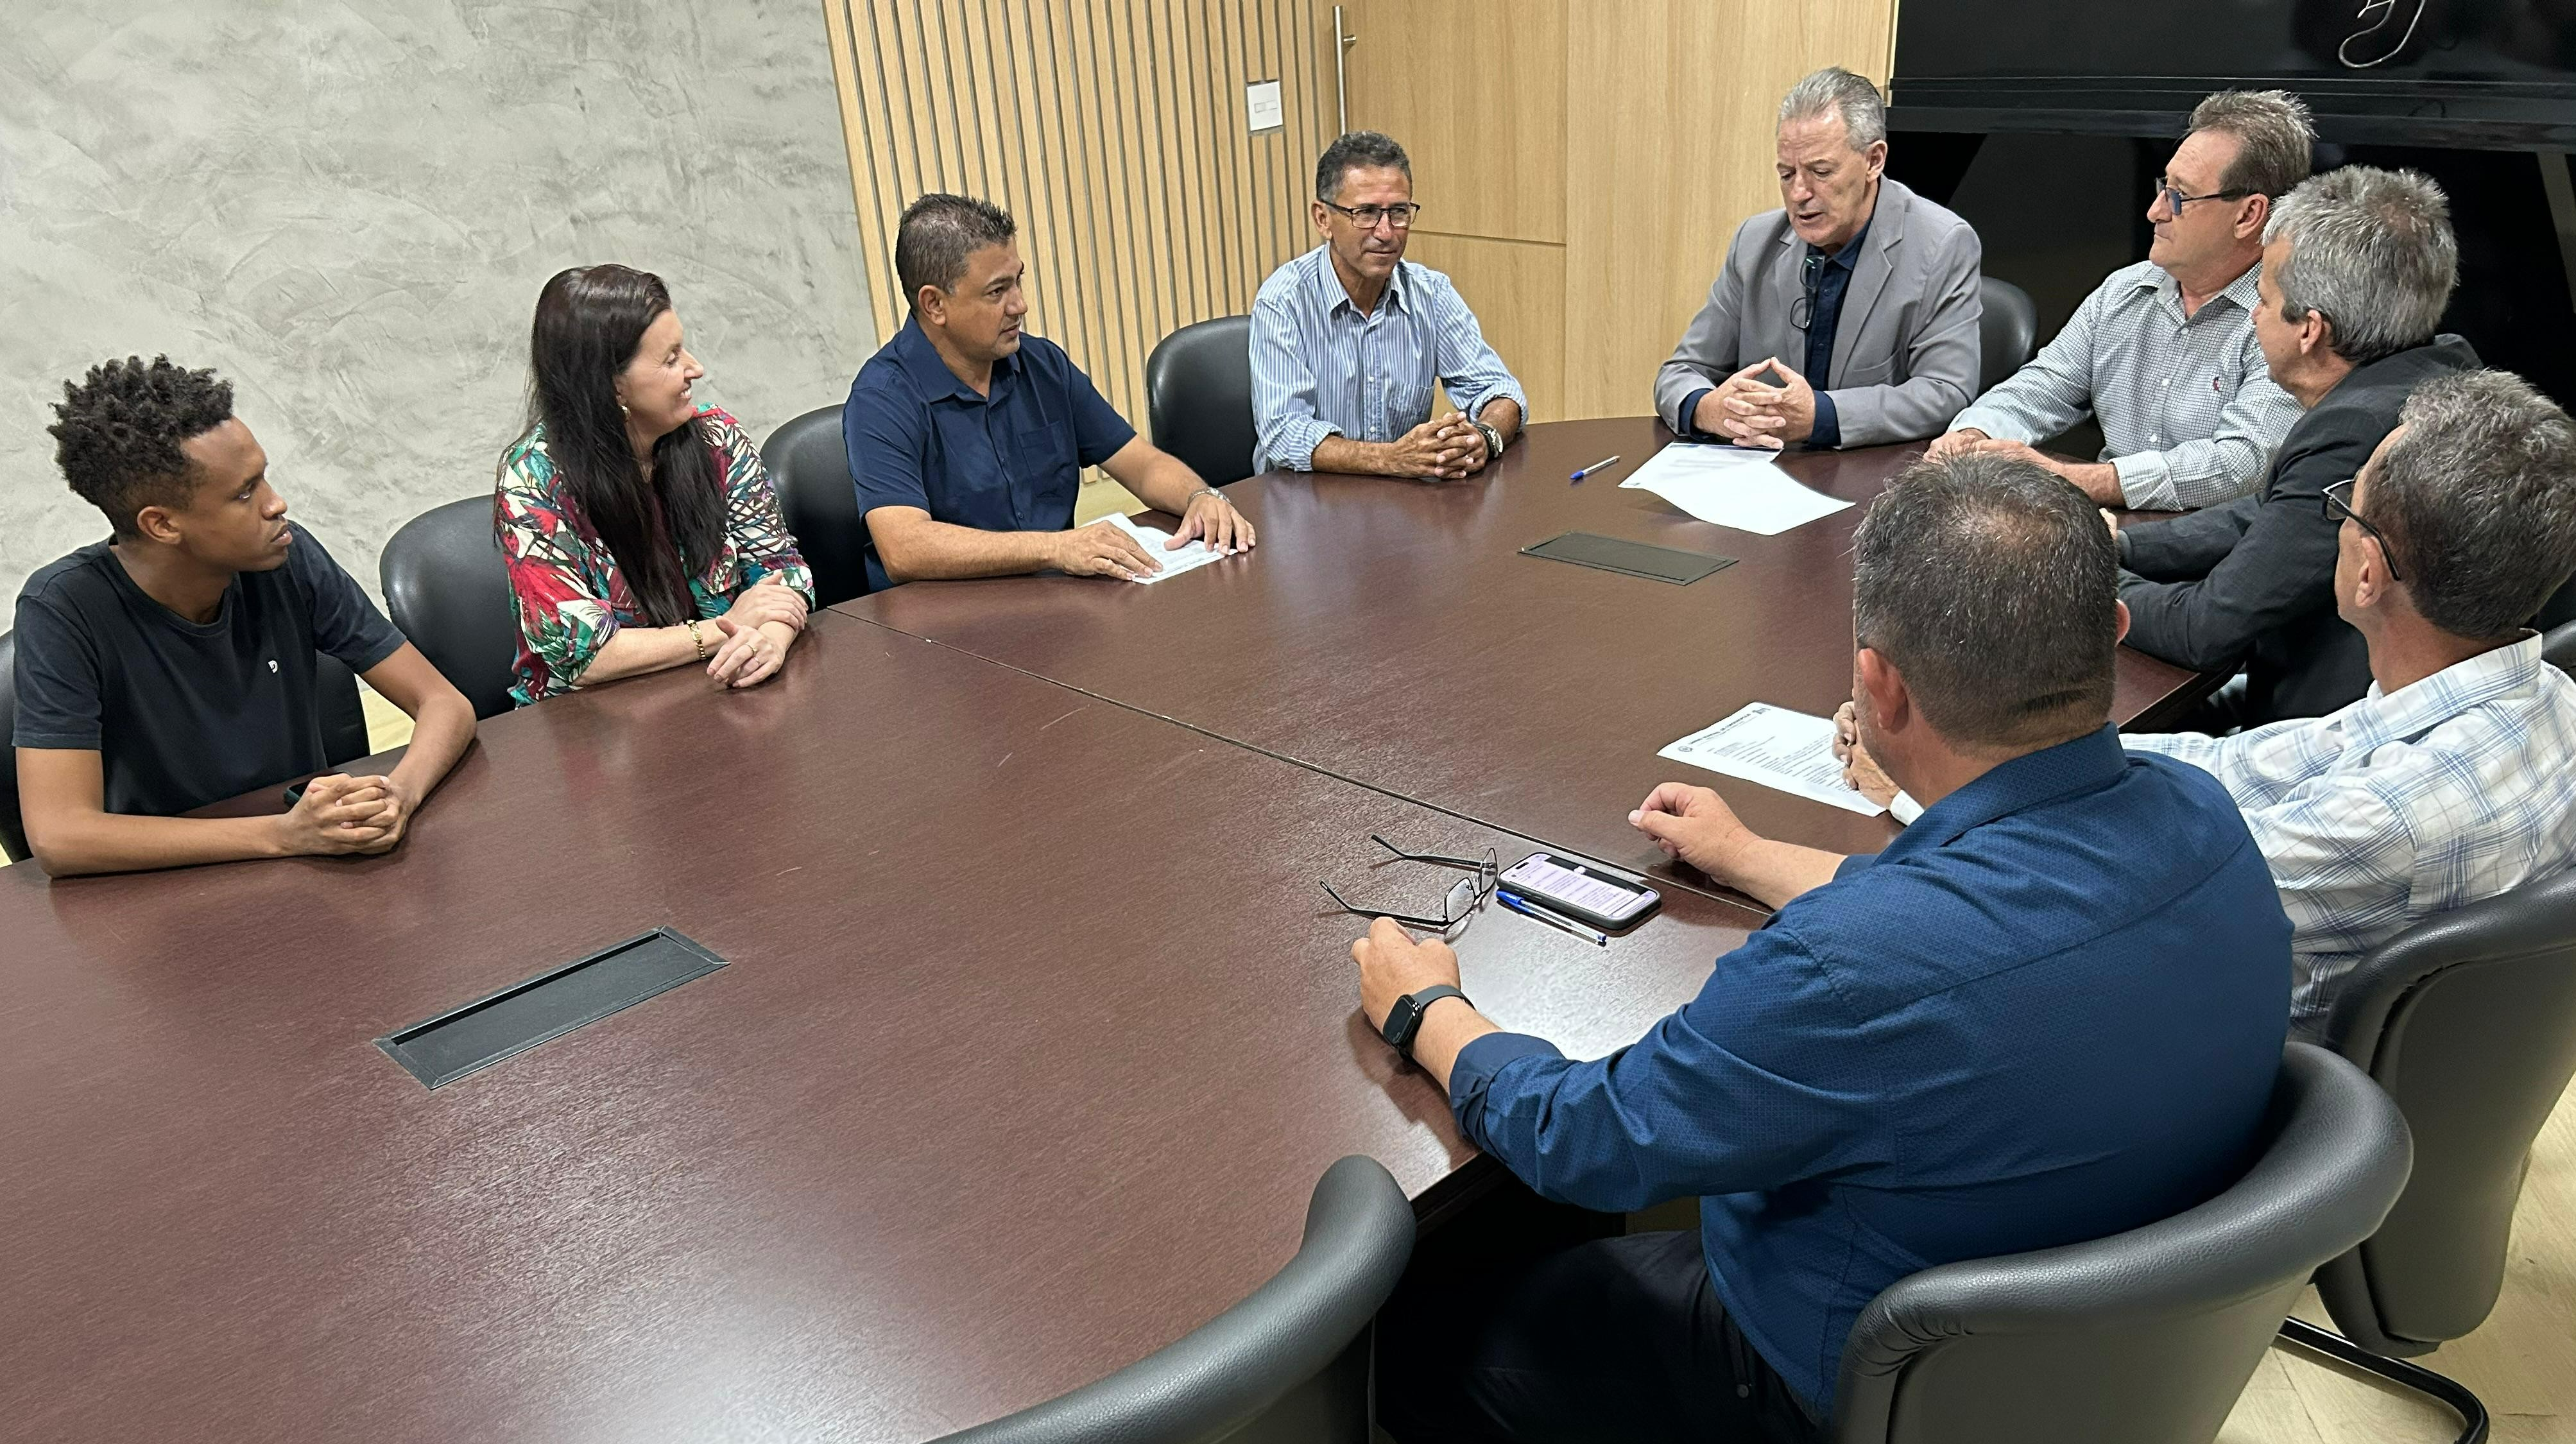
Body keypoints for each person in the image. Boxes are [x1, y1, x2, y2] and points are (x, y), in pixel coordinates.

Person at [1356, 451, 2290, 1443]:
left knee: (1413, 1335)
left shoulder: (1845, 970)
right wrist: (1750, 856)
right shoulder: (2207, 817)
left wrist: (1429, 1011)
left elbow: (1585, 1141)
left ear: (1878, 687)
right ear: (2110, 633)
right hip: (2100, 1360)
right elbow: (1979, 917)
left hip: (1843, 1385)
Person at [1848, 373, 2576, 1033]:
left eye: (2342, 510)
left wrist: (1942, 781)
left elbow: (2103, 895)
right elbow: (2241, 762)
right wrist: (2001, 752)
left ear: (2368, 576)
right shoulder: (2543, 696)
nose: (2335, 527)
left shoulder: (2389, 816)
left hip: (2254, 1093)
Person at [14, 357, 476, 877]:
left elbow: (444, 703)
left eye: (264, 479)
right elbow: (61, 835)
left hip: (317, 870)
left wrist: (400, 794)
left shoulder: (288, 556)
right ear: (162, 524)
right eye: (244, 493)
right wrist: (284, 836)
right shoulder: (62, 610)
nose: (277, 504)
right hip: (167, 895)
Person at [2118, 165, 2475, 730]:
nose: (2254, 316)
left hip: (2327, 735)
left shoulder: (2356, 429)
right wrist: (2125, 546)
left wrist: (2085, 576)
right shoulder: (2444, 367)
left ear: (2310, 329)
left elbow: (2204, 630)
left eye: (2261, 299)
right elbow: (2276, 515)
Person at [844, 193, 1256, 590]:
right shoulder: (881, 399)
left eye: (1018, 281)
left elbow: (1141, 464)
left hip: (1057, 608)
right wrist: (1055, 548)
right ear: (935, 305)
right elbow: (904, 548)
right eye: (997, 291)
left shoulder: (1042, 365)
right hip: (942, 632)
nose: (1019, 305)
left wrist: (1200, 496)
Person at [1930, 90, 2311, 509]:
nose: (2155, 211)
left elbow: (2239, 467)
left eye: (2180, 196)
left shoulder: (2288, 320)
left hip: (2209, 550)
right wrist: (1975, 435)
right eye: (2164, 186)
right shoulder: (2126, 291)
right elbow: (2041, 386)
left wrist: (2078, 479)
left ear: (2247, 215)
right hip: (2104, 532)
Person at [496, 264, 817, 705]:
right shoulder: (533, 479)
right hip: (593, 730)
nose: (695, 369)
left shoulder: (716, 440)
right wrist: (726, 629)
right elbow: (584, 658)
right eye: (671, 359)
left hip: (723, 692)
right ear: (613, 387)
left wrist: (771, 643)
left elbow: (783, 572)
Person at [1654, 67, 1980, 452]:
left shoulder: (1942, 244)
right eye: (1787, 173)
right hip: (1762, 473)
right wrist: (1707, 409)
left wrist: (1821, 416)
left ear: (1874, 161)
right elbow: (1681, 372)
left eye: (1820, 172)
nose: (1799, 193)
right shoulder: (1755, 242)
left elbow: (1946, 391)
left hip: (1875, 481)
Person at [1249, 131, 1527, 480]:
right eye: (1365, 213)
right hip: (1305, 502)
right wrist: (1391, 459)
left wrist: (1483, 438)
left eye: (1398, 212)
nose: (1386, 232)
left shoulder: (1432, 294)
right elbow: (1284, 433)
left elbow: (1501, 392)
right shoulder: (1285, 301)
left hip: (1401, 499)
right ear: (1323, 219)